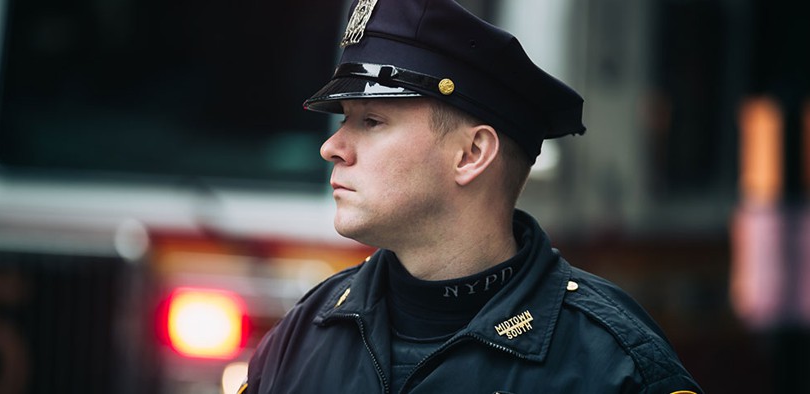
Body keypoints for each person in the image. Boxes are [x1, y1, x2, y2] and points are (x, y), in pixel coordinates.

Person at [242, 0, 703, 392]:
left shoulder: (614, 367)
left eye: (371, 121)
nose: (332, 147)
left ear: (471, 153)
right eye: (343, 120)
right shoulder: (300, 335)